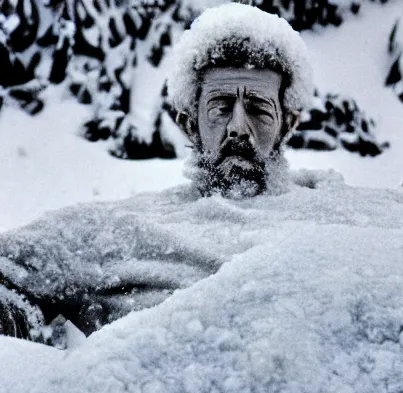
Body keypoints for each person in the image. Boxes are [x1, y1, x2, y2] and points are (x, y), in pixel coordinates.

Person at [0, 3, 314, 342]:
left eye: (258, 109)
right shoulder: (122, 232)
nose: (238, 126)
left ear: (288, 123)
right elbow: (7, 270)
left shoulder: (340, 217)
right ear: (189, 124)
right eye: (220, 107)